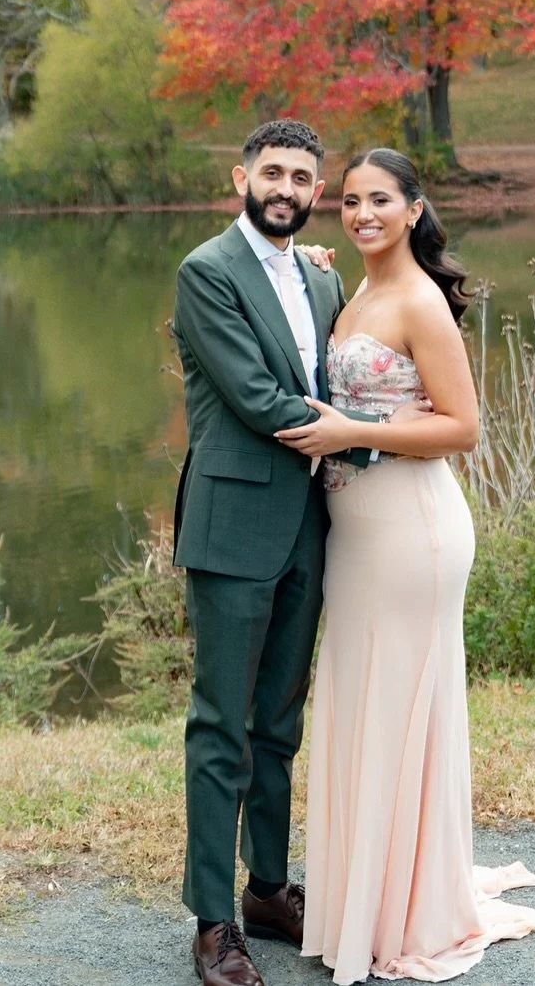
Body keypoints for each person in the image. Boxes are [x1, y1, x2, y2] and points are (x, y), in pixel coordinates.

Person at [275, 146, 535, 984]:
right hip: (356, 533)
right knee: (364, 704)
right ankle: (368, 893)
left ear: (413, 208)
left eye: (380, 200)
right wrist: (311, 268)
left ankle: (405, 908)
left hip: (412, 528)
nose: (363, 213)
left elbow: (463, 426)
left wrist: (351, 431)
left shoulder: (421, 301)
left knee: (399, 708)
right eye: (351, 201)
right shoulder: (355, 287)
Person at [171, 119, 386, 986]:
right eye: (274, 172)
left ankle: (267, 887)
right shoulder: (206, 273)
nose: (287, 188)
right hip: (232, 527)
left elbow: (329, 372)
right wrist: (385, 438)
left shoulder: (318, 275)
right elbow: (261, 400)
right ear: (242, 177)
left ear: (315, 189)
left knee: (279, 725)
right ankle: (214, 921)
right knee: (223, 725)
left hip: (308, 524)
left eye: (303, 176)